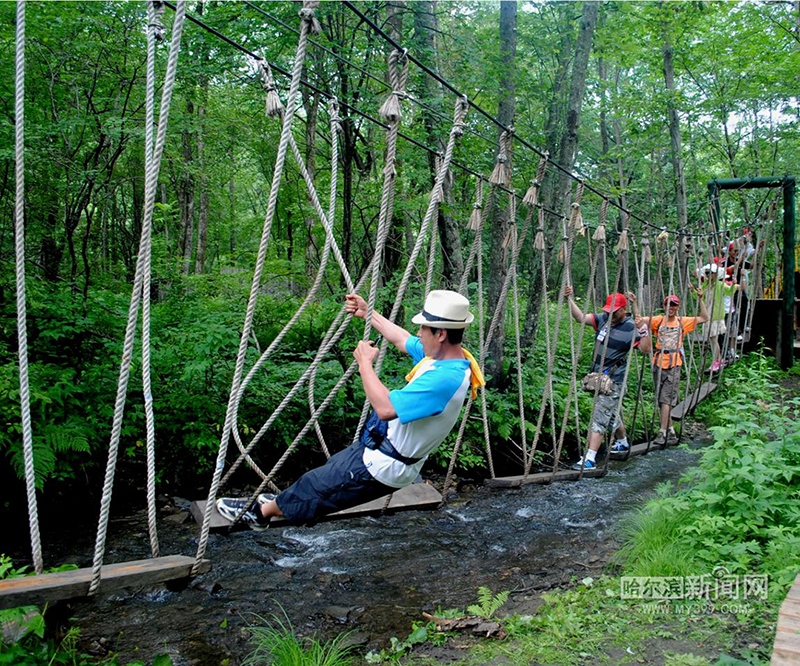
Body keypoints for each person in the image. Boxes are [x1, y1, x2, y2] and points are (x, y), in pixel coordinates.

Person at [216, 290, 485, 529]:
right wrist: (368, 313)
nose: (418, 334)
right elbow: (402, 339)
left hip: (385, 464)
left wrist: (364, 364)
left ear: (440, 334)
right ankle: (281, 504)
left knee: (319, 488)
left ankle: (258, 514)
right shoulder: (447, 357)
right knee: (322, 476)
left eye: (423, 329)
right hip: (379, 446)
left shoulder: (444, 379)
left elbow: (385, 408)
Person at [564, 287, 651, 470]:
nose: (609, 314)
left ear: (622, 310)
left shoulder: (629, 327)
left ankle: (589, 459)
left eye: (613, 311)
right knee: (610, 414)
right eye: (607, 311)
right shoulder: (603, 320)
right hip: (598, 379)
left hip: (614, 381)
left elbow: (645, 349)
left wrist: (643, 329)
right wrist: (569, 299)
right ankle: (623, 442)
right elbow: (580, 318)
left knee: (599, 416)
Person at [640, 288, 708, 446]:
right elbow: (640, 320)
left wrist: (700, 299)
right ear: (664, 306)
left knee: (666, 400)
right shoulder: (658, 320)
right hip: (658, 363)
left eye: (674, 305)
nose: (671, 307)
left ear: (678, 307)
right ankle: (670, 430)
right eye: (668, 305)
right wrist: (635, 303)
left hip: (674, 364)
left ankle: (662, 433)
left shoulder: (682, 321)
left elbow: (705, 317)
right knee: (661, 400)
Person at [697, 263, 741, 373]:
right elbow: (699, 296)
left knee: (713, 339)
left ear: (715, 274)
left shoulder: (720, 284)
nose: (707, 275)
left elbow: (729, 291)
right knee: (711, 340)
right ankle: (718, 360)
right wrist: (694, 291)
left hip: (716, 315)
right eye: (706, 273)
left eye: (710, 273)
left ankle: (717, 361)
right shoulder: (705, 284)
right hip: (707, 314)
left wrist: (734, 285)